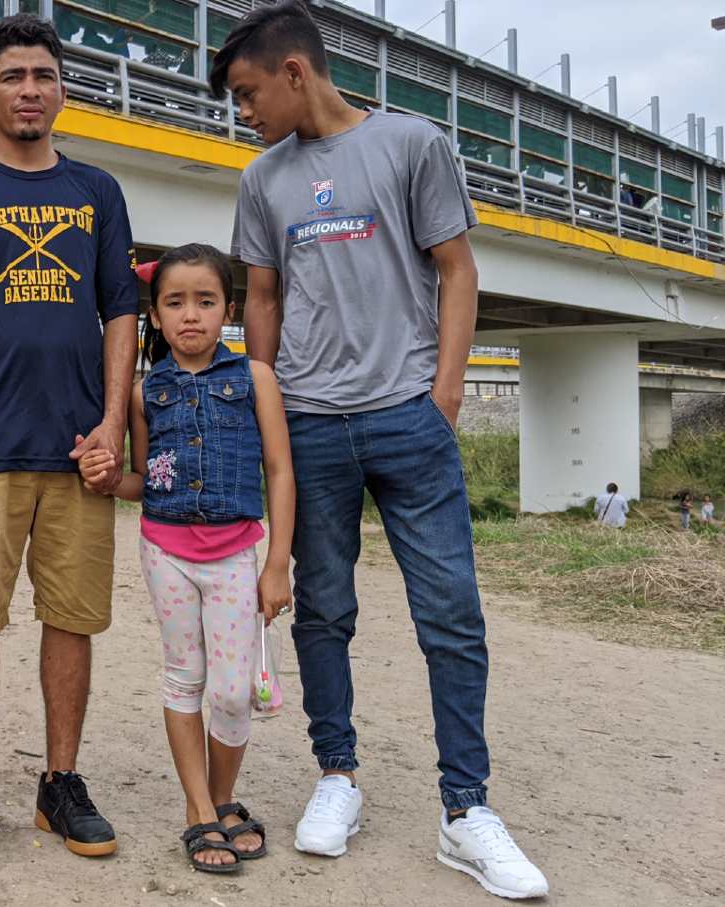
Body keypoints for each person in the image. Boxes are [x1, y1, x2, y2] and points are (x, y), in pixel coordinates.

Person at [210, 1, 548, 899]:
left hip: (408, 415)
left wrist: (443, 393)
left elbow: (457, 268)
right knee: (323, 612)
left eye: (247, 94)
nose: (242, 112)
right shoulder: (262, 179)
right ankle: (337, 776)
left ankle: (466, 809)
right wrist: (268, 396)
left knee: (451, 614)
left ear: (294, 72)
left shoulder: (411, 143)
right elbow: (264, 299)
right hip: (312, 423)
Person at [0, 12, 139, 863]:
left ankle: (60, 781)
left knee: (71, 618)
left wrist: (114, 422)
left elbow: (121, 307)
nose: (30, 90)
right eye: (12, 77)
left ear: (64, 92)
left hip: (79, 448)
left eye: (43, 75)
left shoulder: (97, 191)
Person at [77, 245, 295, 873]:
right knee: (184, 678)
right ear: (156, 314)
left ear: (228, 309)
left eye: (205, 301)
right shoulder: (148, 393)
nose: (190, 316)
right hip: (166, 550)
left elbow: (279, 472)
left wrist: (276, 562)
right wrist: (104, 475)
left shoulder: (255, 378)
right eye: (175, 303)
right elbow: (144, 479)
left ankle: (224, 798)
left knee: (231, 694)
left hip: (236, 554)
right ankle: (200, 810)